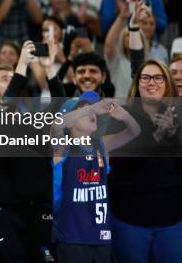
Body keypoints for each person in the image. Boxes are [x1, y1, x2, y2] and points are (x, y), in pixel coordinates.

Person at [108, 59, 182, 263]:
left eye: (157, 77)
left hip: (175, 218)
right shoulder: (121, 116)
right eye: (145, 77)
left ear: (167, 83)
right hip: (130, 217)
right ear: (137, 84)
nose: (151, 82)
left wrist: (173, 135)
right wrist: (157, 136)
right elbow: (120, 163)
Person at [51, 92, 140, 263]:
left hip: (101, 236)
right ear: (69, 122)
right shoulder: (62, 147)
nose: (92, 113)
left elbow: (134, 132)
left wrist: (125, 116)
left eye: (92, 111)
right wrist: (91, 107)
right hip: (72, 237)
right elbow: (56, 126)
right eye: (83, 111)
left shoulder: (101, 145)